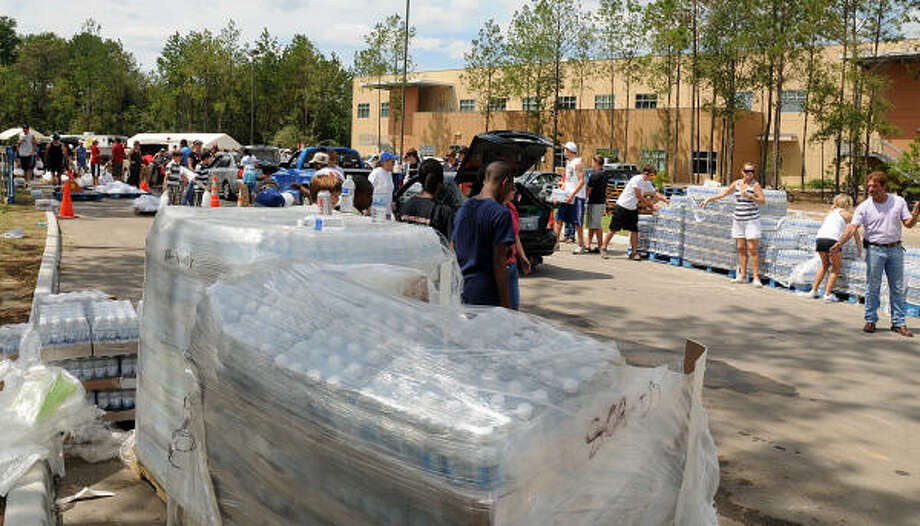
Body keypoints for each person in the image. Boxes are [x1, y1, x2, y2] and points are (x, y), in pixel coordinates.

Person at [831, 172, 920, 336]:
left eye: (875, 186)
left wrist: (915, 214)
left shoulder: (898, 202)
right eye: (869, 186)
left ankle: (899, 323)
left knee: (898, 288)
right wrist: (840, 243)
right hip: (874, 250)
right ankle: (871, 320)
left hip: (895, 250)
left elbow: (908, 224)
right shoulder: (864, 207)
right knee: (873, 286)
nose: (871, 189)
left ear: (884, 187)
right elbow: (852, 227)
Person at [451, 161, 516, 308]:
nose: (510, 193)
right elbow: (499, 263)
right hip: (487, 294)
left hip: (463, 290)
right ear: (505, 183)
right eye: (511, 188)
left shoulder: (464, 208)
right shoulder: (501, 213)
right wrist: (507, 307)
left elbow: (452, 248)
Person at [700, 162, 766, 286]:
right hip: (738, 220)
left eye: (752, 171)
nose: (749, 173)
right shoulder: (737, 184)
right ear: (742, 172)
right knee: (741, 248)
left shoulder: (755, 185)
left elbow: (762, 201)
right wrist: (708, 199)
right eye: (747, 171)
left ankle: (756, 277)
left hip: (752, 220)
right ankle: (742, 275)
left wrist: (751, 196)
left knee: (752, 249)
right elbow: (723, 194)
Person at [801, 194, 862, 302]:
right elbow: (854, 231)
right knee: (836, 269)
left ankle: (813, 290)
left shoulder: (830, 213)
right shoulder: (847, 214)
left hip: (820, 239)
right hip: (832, 241)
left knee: (824, 265)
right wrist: (859, 245)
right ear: (847, 204)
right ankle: (828, 294)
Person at [602, 165, 669, 260]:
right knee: (613, 228)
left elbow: (654, 193)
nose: (653, 178)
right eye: (652, 176)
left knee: (634, 231)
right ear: (646, 174)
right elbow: (639, 196)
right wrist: (651, 206)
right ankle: (604, 248)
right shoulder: (636, 180)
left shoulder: (648, 183)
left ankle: (633, 253)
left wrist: (664, 199)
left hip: (632, 208)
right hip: (622, 206)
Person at [397, 158, 454, 240]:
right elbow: (450, 248)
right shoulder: (443, 212)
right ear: (441, 182)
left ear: (419, 180)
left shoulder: (405, 206)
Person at [554, 142, 588, 253]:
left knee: (578, 222)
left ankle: (581, 245)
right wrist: (558, 194)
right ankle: (556, 243)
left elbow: (582, 181)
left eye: (565, 149)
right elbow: (566, 181)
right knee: (559, 218)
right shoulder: (568, 163)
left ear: (570, 151)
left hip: (577, 197)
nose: (563, 152)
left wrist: (572, 195)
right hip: (566, 196)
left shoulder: (577, 163)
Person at [505, 184, 531, 310]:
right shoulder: (494, 210)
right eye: (512, 189)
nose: (514, 192)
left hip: (511, 265)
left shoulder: (511, 208)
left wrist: (522, 257)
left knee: (513, 310)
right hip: (498, 266)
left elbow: (515, 235)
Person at [585, 156, 608, 254]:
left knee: (596, 225)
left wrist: (584, 199)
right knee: (592, 224)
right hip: (601, 201)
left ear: (596, 162)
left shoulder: (594, 175)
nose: (591, 163)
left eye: (592, 161)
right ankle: (588, 244)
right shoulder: (604, 174)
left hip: (595, 202)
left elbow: (588, 190)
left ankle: (600, 246)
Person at [368, 152, 399, 218]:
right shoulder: (376, 173)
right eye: (392, 162)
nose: (394, 164)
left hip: (387, 212)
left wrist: (392, 202)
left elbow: (389, 192)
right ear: (384, 162)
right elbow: (368, 190)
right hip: (377, 211)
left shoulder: (389, 174)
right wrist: (368, 207)